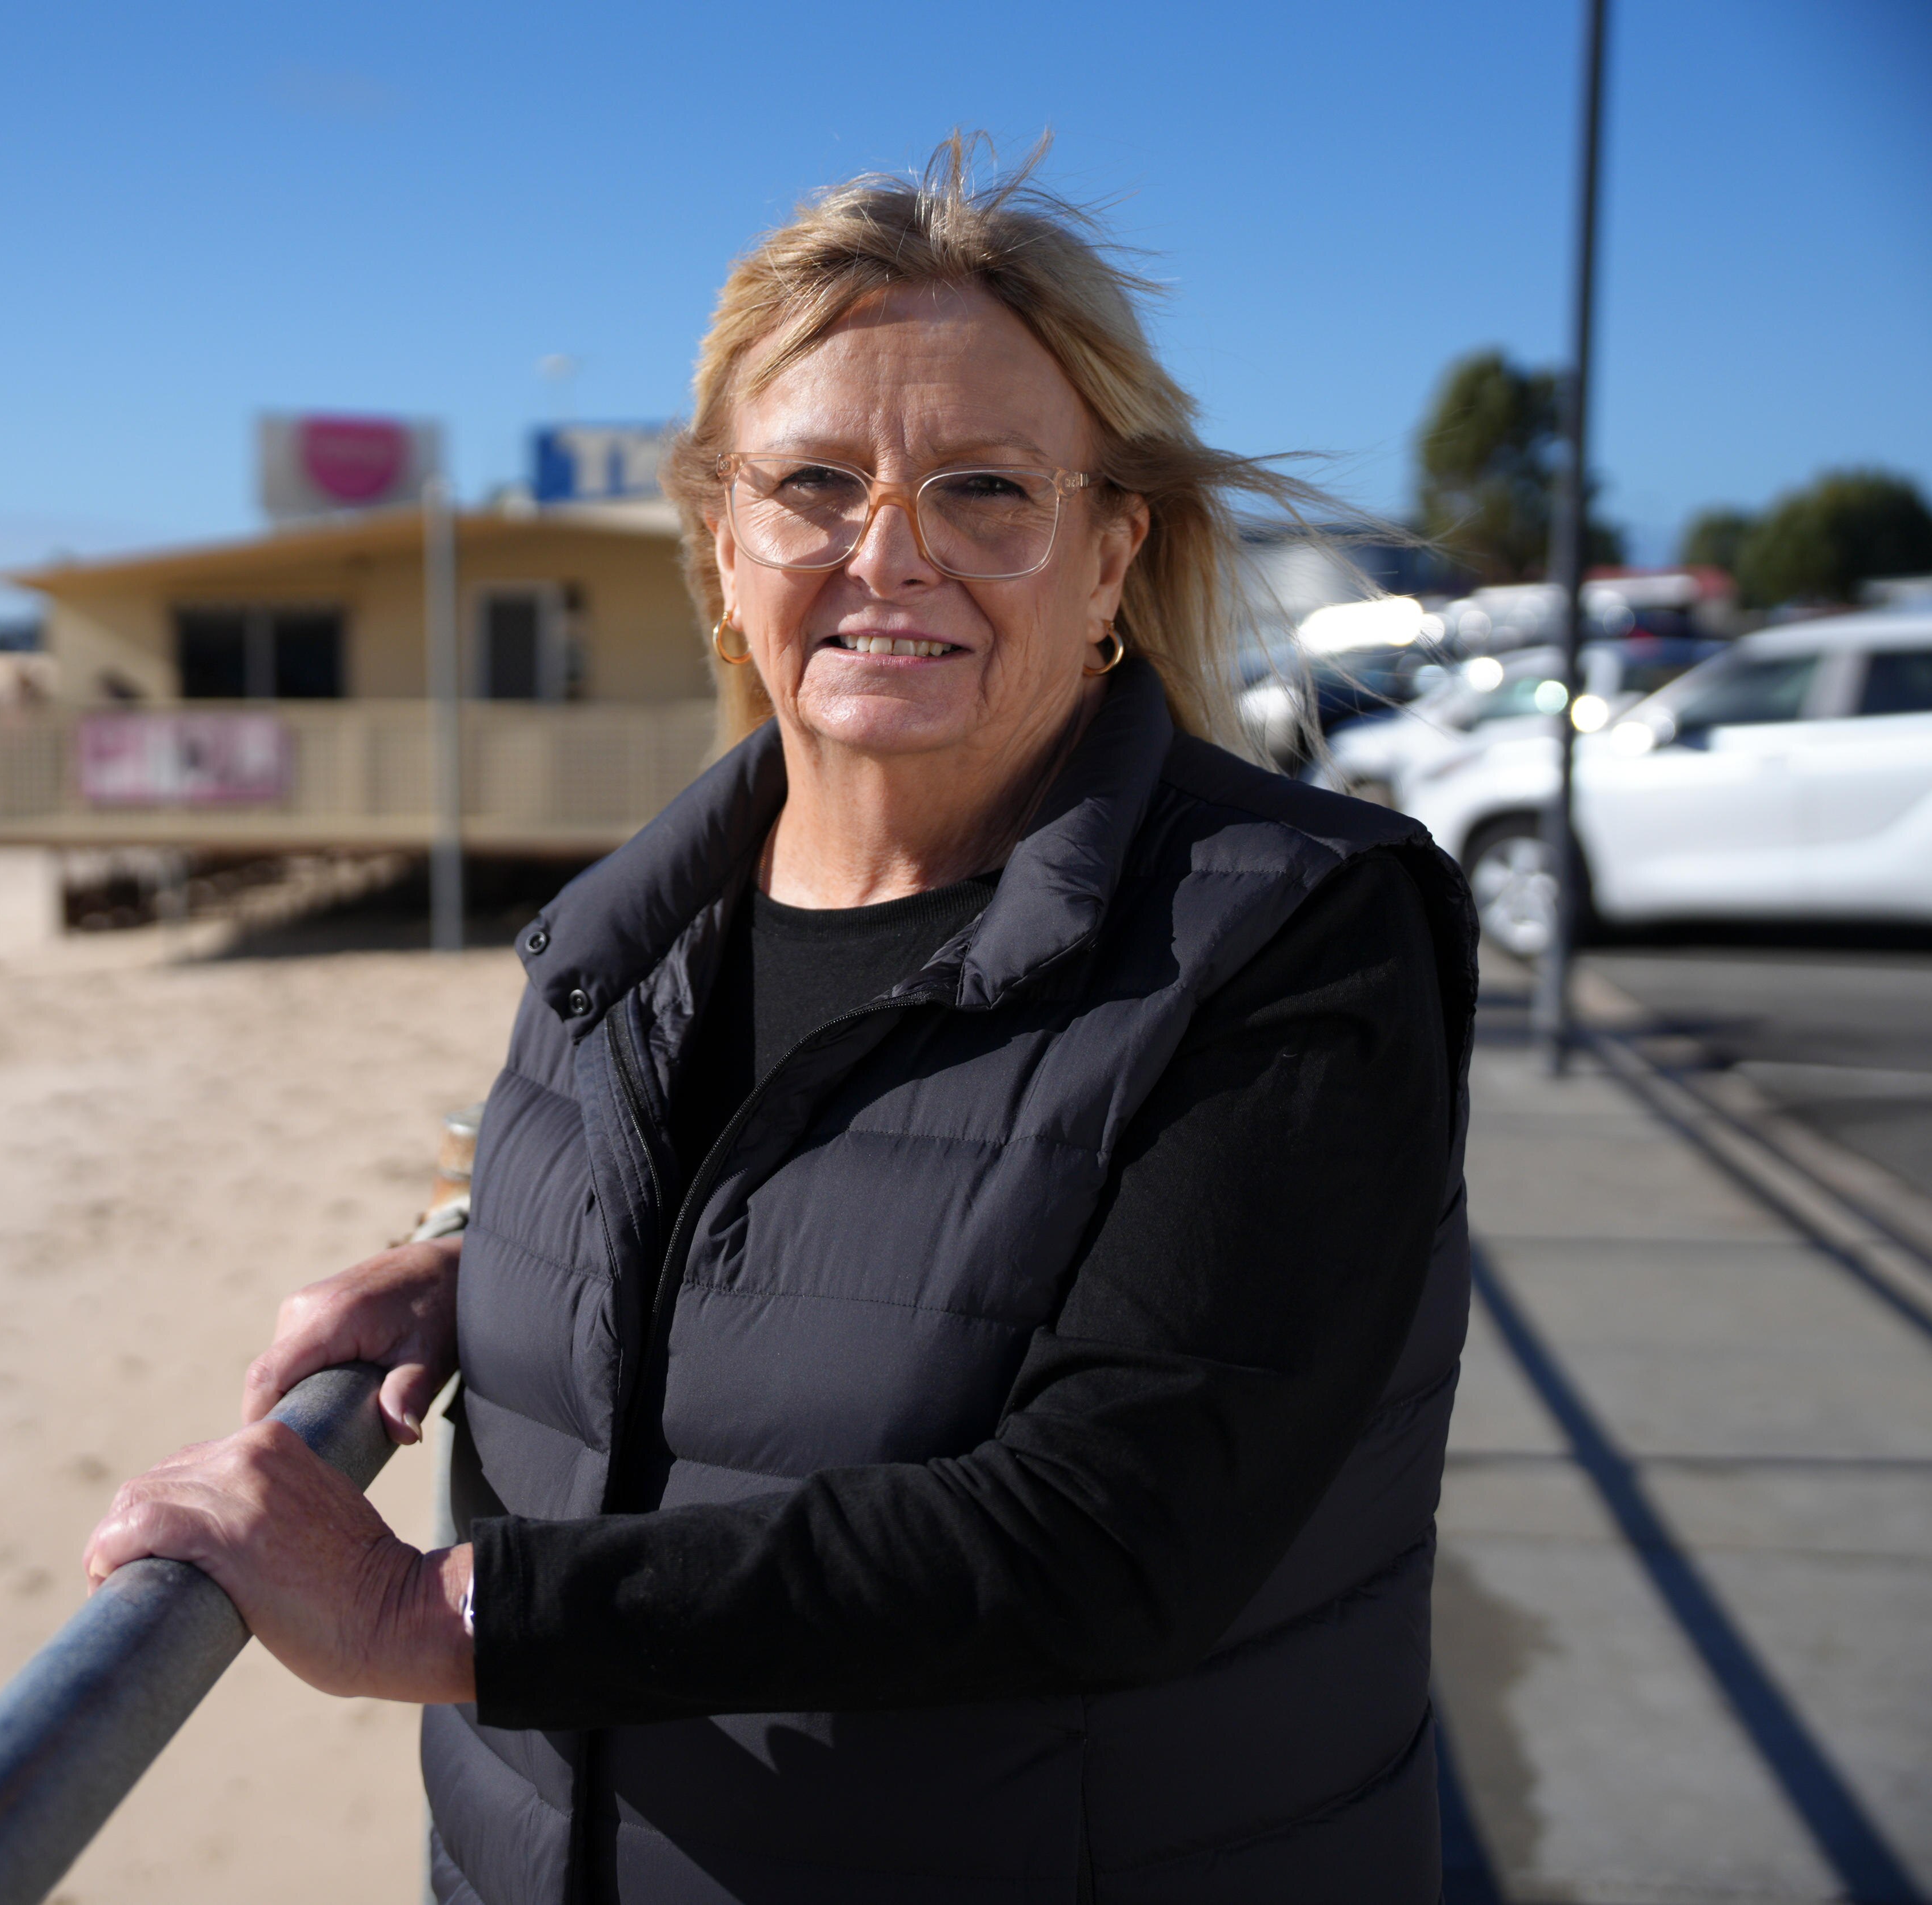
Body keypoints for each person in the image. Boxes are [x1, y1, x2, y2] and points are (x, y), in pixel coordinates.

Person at [85, 137, 1478, 1903]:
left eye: (987, 490)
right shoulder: (625, 942)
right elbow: (789, 1233)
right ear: (722, 539)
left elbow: (1117, 1532)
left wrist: (419, 1610)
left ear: (1114, 551)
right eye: (816, 481)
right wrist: (490, 1254)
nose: (890, 557)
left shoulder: (1296, 932)